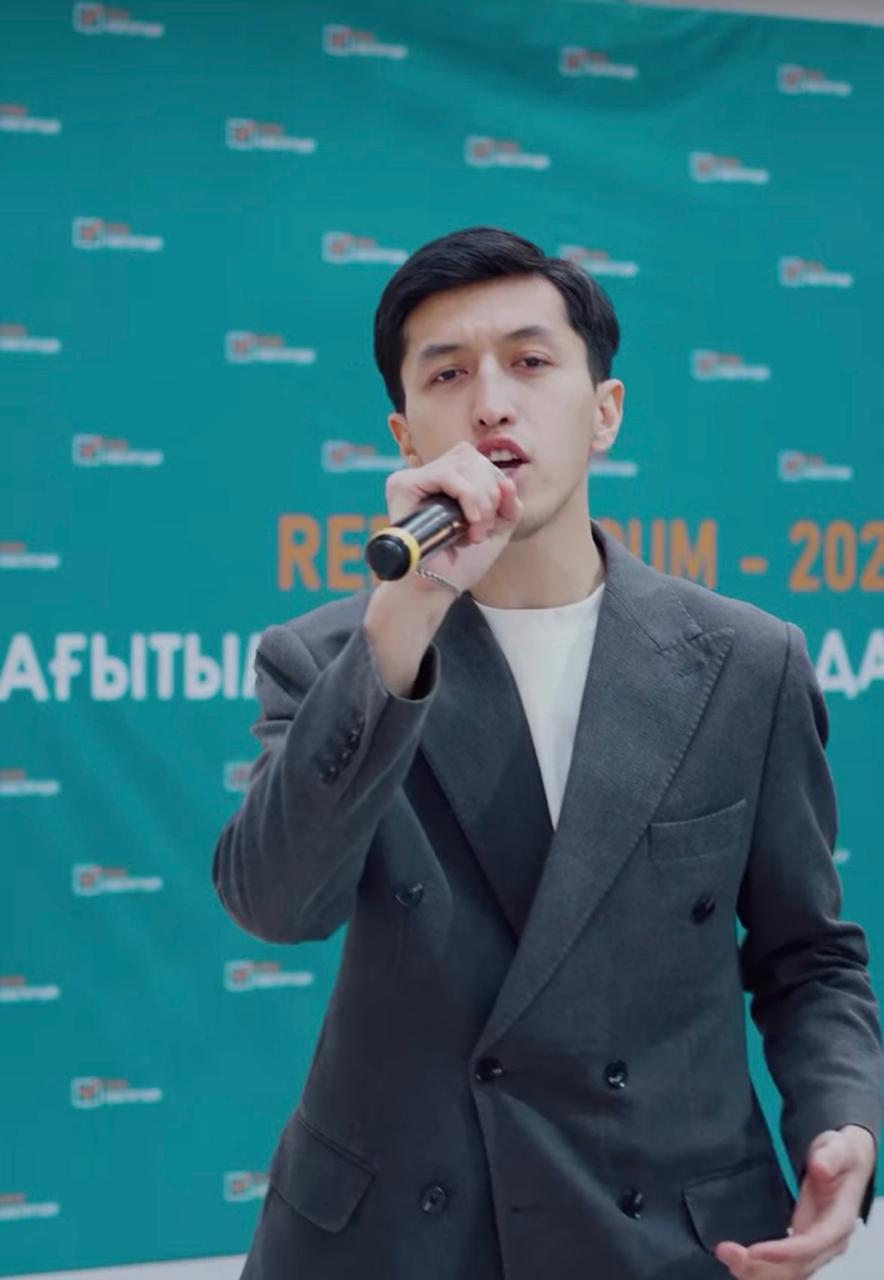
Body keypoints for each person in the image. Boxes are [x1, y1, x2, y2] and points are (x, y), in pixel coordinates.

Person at [213, 227, 882, 1280]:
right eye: (447, 374)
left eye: (529, 361)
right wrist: (405, 617)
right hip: (398, 1239)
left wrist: (842, 1117)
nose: (490, 403)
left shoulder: (745, 663)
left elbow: (808, 955)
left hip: (663, 1235)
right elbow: (277, 904)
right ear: (404, 433)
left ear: (603, 411)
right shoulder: (334, 657)